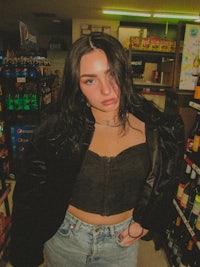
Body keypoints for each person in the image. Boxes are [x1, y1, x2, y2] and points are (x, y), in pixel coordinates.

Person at [9, 32, 184, 267]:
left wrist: (146, 222)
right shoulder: (58, 127)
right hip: (66, 240)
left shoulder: (156, 128)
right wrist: (25, 253)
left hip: (120, 246)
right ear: (77, 84)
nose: (106, 90)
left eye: (111, 74)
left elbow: (165, 180)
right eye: (90, 80)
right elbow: (30, 194)